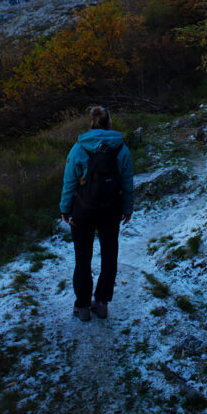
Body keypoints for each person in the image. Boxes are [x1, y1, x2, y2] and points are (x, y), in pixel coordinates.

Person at [60, 105, 135, 321]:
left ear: (90, 122)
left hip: (83, 210)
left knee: (83, 256)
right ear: (109, 122)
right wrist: (127, 208)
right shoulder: (121, 148)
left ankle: (82, 306)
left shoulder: (79, 148)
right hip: (111, 209)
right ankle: (102, 303)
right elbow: (127, 182)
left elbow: (70, 181)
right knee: (109, 255)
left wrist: (65, 208)